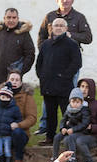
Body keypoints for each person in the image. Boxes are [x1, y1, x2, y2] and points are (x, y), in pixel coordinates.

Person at [36, 0, 94, 136]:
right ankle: (47, 130)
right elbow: (41, 36)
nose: (65, 1)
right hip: (49, 74)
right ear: (57, 0)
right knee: (48, 106)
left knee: (68, 103)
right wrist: (46, 54)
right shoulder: (49, 17)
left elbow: (88, 37)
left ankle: (70, 130)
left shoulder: (79, 17)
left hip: (67, 72)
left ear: (72, 1)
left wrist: (71, 35)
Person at [35, 16, 83, 145]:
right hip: (48, 85)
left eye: (62, 25)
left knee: (66, 113)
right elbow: (39, 63)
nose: (58, 27)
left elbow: (77, 63)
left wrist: (65, 76)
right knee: (50, 114)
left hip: (63, 85)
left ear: (66, 28)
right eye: (56, 25)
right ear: (51, 28)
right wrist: (42, 76)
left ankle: (68, 137)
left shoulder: (72, 44)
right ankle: (50, 137)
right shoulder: (46, 44)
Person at [0, 7, 36, 103]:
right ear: (4, 18)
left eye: (14, 17)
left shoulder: (23, 34)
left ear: (17, 18)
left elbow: (30, 54)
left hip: (13, 81)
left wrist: (20, 72)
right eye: (8, 17)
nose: (11, 20)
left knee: (12, 109)